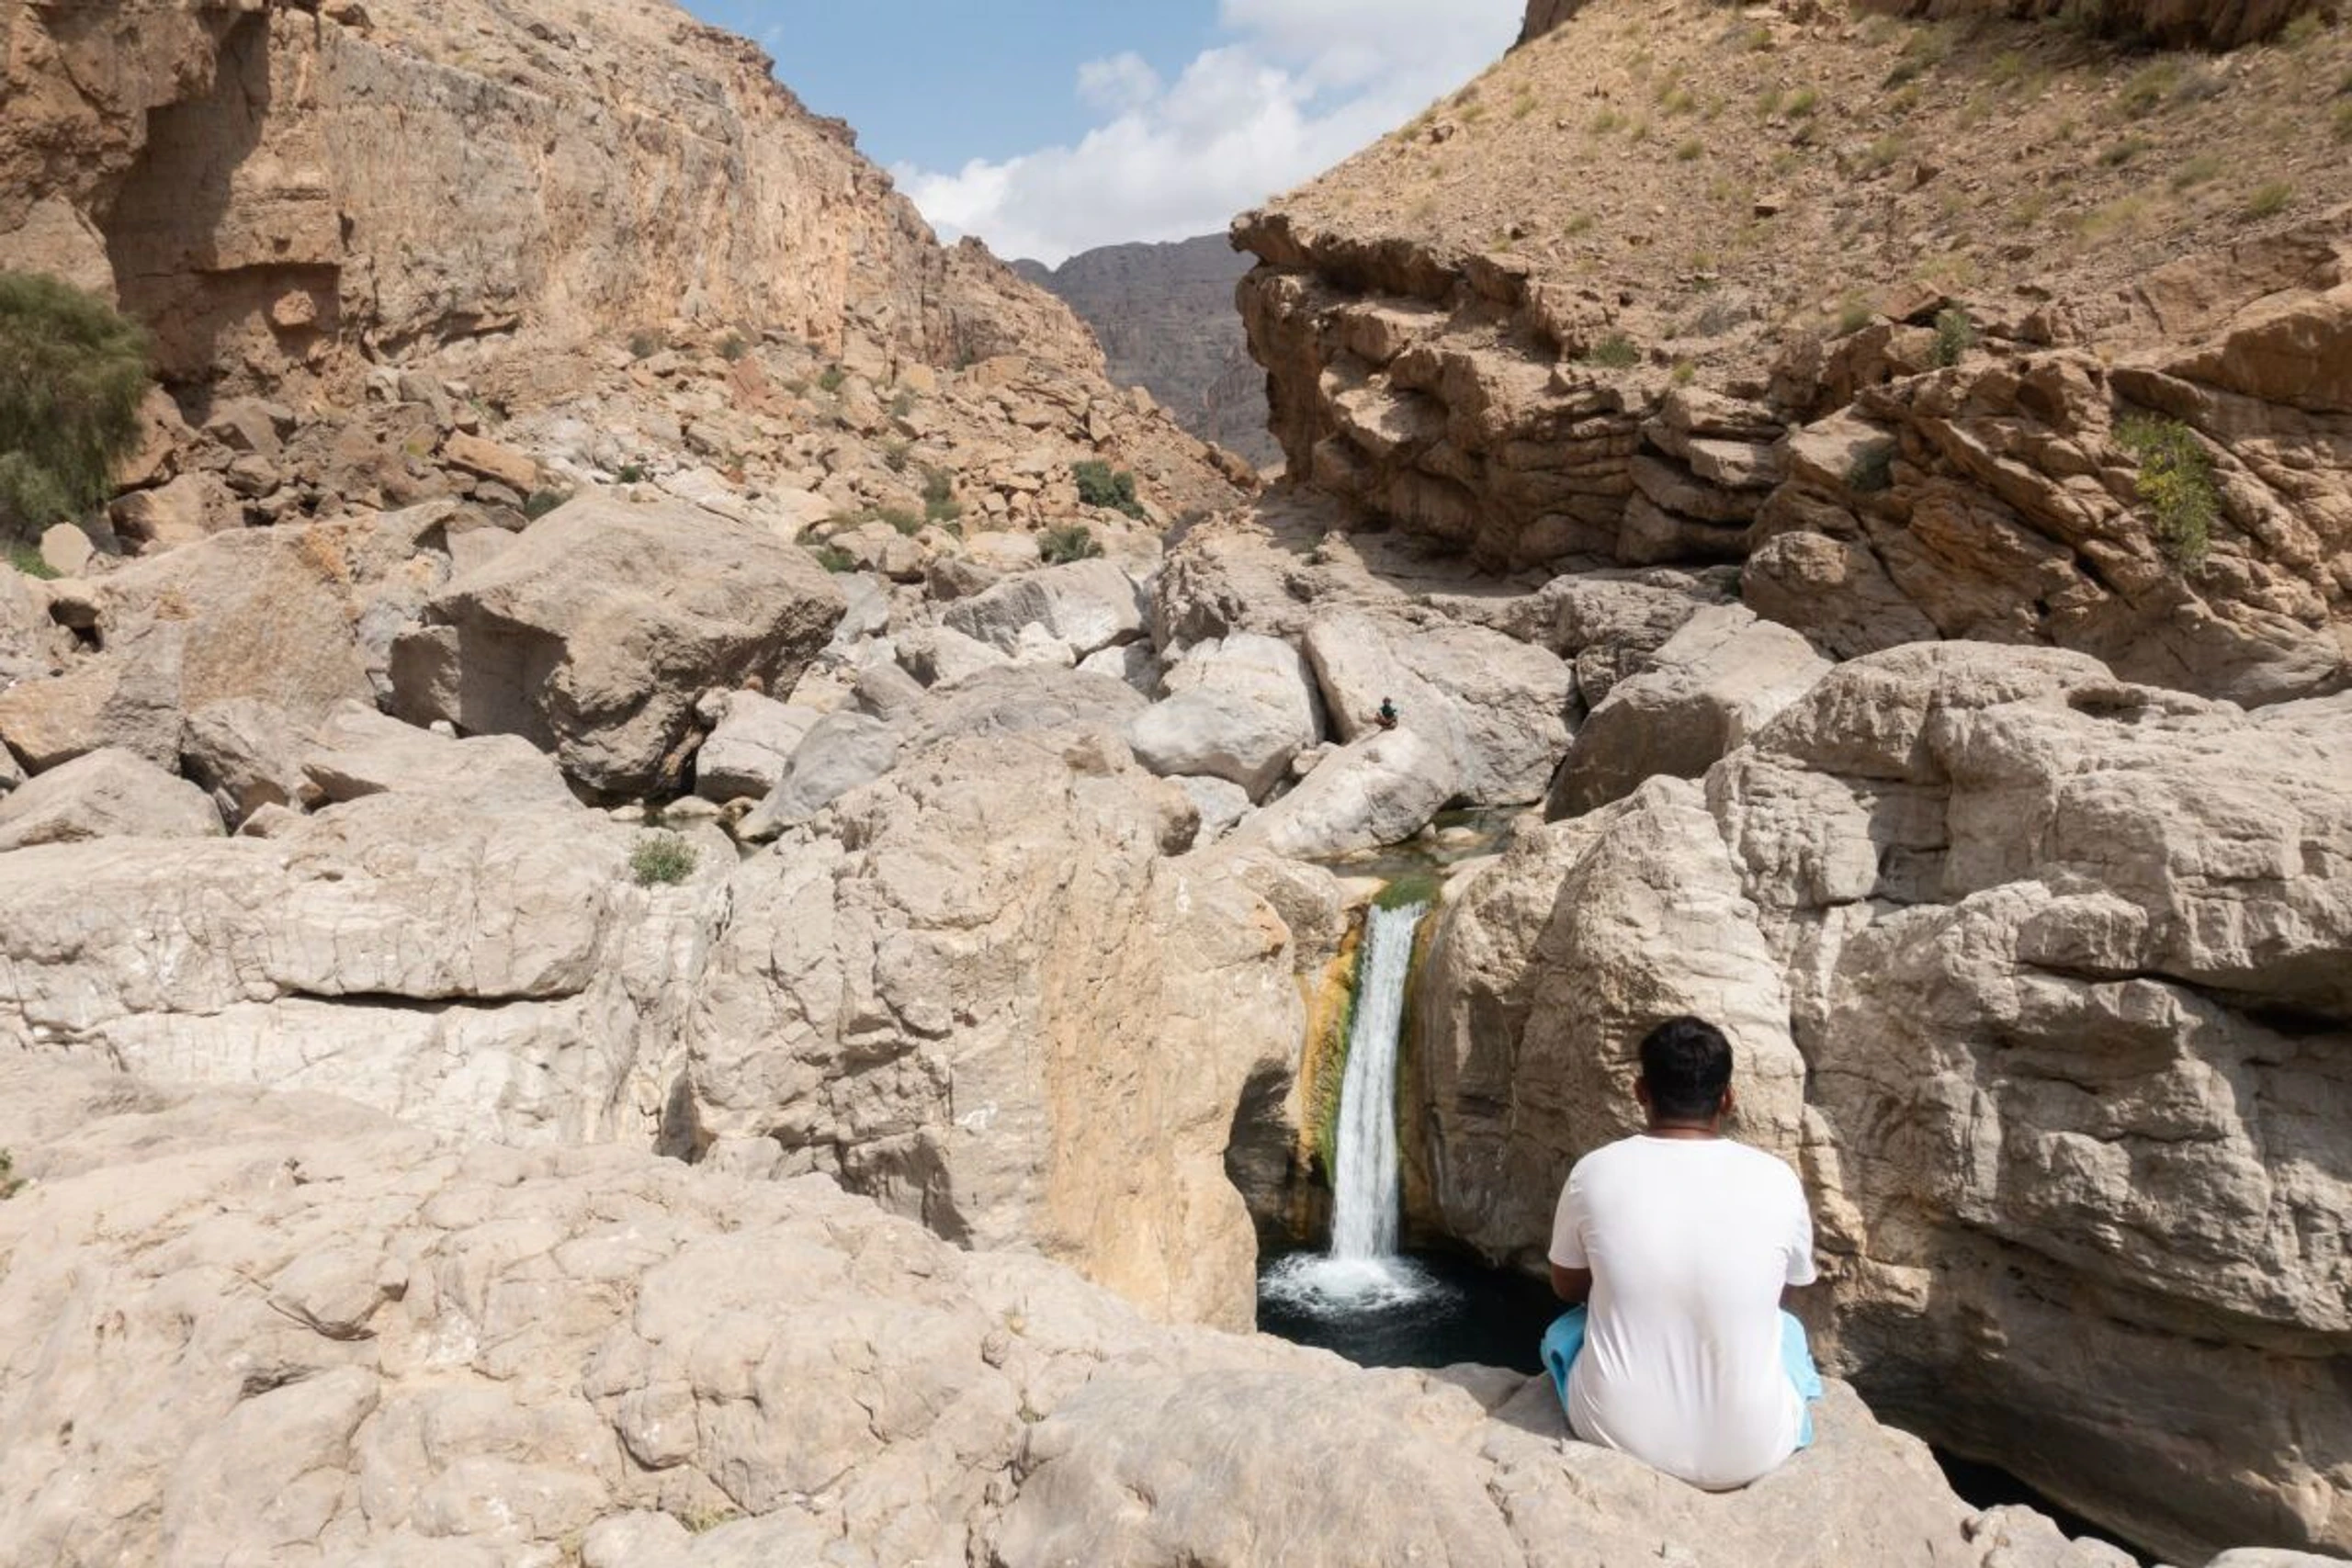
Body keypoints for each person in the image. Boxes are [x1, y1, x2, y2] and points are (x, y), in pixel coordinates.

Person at [1539, 1016, 1824, 1491]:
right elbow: (1783, 1290)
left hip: (1617, 1433)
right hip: (1754, 1449)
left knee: (1566, 1331)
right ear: (1728, 1098)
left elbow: (1566, 1285)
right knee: (1788, 1331)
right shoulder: (1778, 1179)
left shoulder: (1594, 1171)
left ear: (1640, 1091)